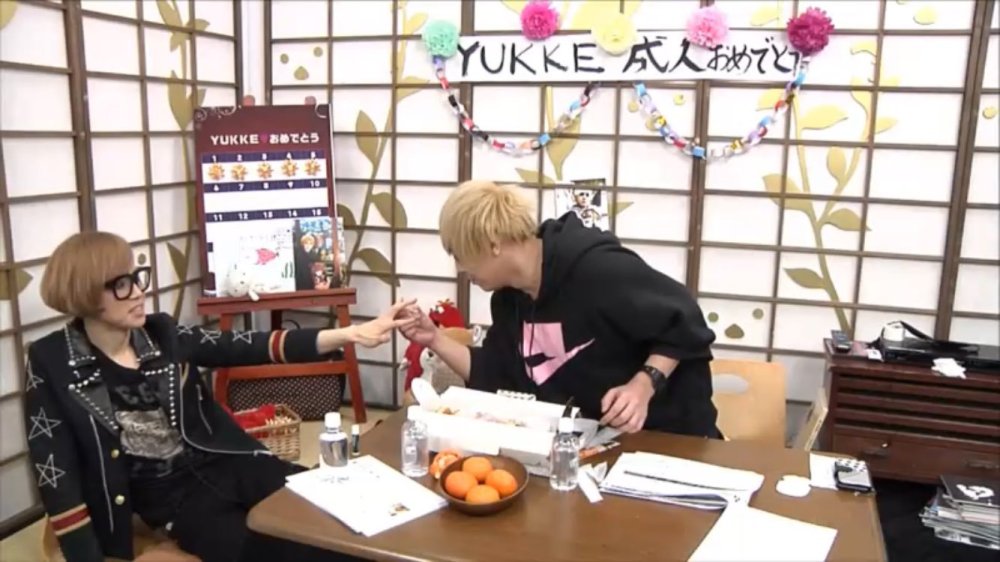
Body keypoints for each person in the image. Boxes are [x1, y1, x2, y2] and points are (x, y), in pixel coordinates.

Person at [24, 231, 408, 562]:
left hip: (230, 462)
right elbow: (56, 473)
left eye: (137, 278)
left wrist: (349, 335)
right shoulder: (52, 362)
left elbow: (244, 345)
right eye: (122, 284)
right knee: (269, 550)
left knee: (331, 506)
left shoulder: (160, 334)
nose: (139, 292)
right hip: (173, 500)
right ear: (87, 293)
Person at [399, 180, 721, 438]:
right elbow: (498, 374)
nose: (460, 269)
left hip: (667, 439)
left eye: (459, 255)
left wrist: (643, 385)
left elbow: (685, 323)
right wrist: (434, 339)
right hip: (588, 443)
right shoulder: (508, 299)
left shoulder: (598, 270)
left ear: (491, 243)